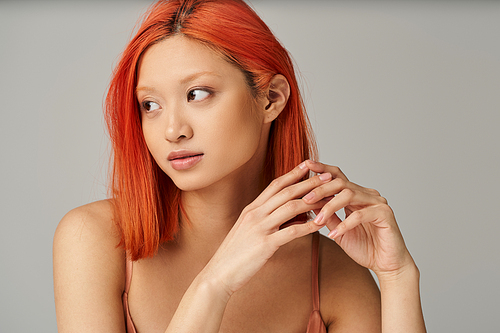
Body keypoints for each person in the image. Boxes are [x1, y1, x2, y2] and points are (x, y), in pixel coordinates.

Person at [53, 0, 426, 332]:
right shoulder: (95, 239)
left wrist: (398, 276)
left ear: (271, 99)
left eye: (197, 94)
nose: (172, 130)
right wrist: (215, 282)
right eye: (150, 105)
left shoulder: (334, 273)